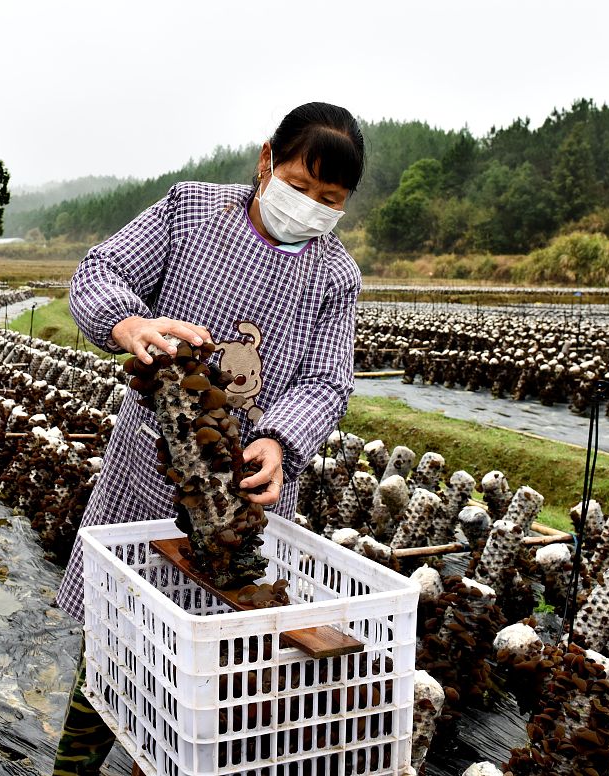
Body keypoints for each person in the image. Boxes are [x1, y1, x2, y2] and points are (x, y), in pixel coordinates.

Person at [51, 102, 365, 774]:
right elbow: (97, 272)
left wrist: (280, 440)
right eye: (300, 187)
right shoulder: (192, 210)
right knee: (111, 656)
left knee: (201, 688)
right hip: (146, 478)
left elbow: (328, 382)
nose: (310, 207)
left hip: (244, 504)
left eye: (330, 199)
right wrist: (129, 326)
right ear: (266, 162)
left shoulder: (336, 277)